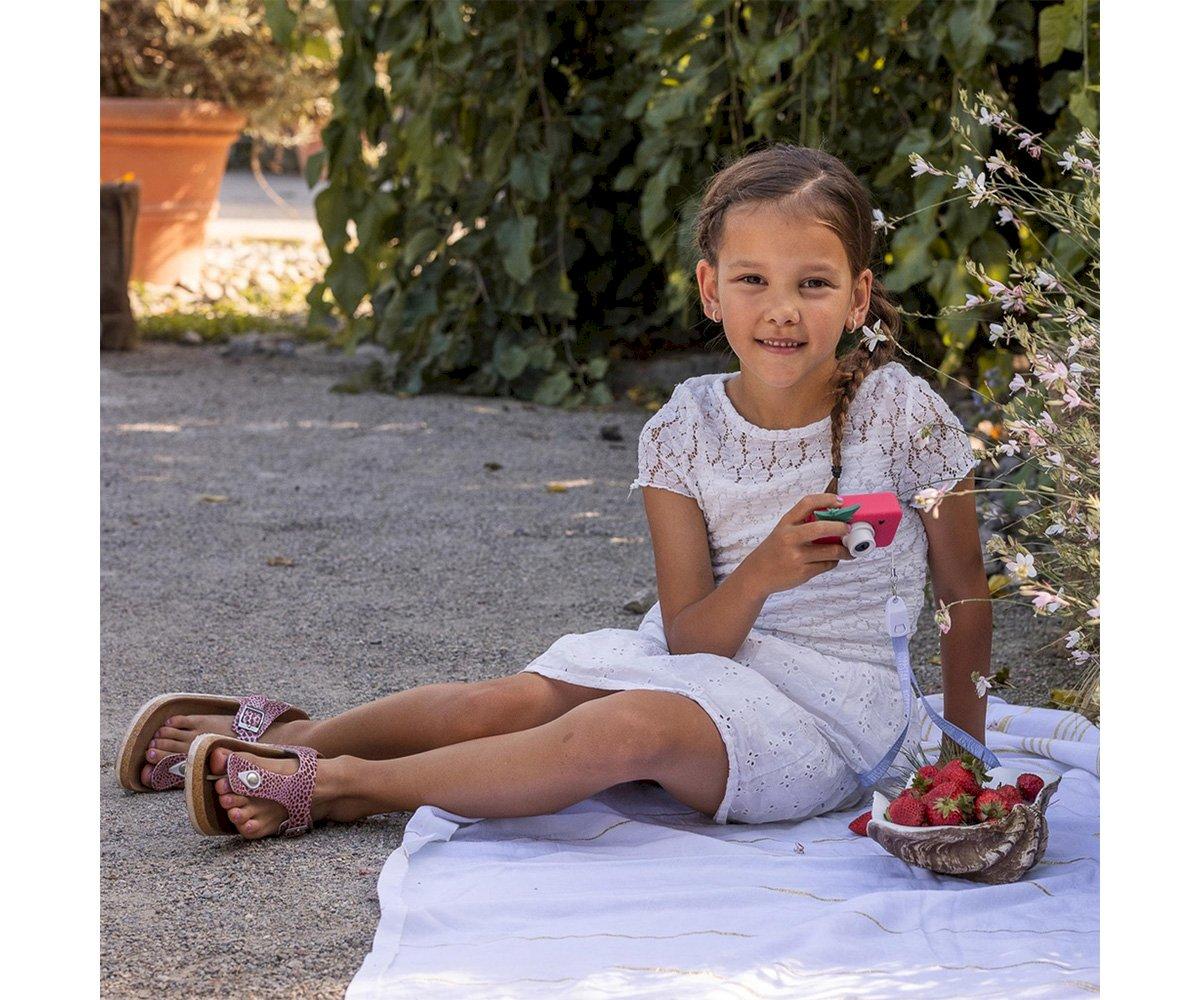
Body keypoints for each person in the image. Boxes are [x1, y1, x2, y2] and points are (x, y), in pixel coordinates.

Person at [117, 143, 991, 840]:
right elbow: (691, 638)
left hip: (830, 714)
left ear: (858, 296)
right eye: (752, 279)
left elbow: (964, 592)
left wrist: (967, 757)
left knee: (628, 729)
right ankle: (296, 738)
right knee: (508, 701)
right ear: (709, 288)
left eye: (814, 283)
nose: (782, 309)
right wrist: (763, 570)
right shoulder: (683, 428)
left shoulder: (901, 414)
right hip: (699, 659)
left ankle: (347, 786)